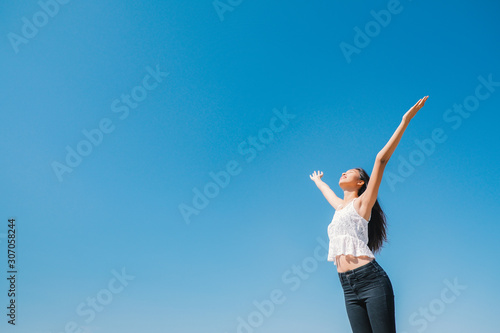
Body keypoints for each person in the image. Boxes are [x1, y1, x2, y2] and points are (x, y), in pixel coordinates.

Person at [309, 96, 429, 333]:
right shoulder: (340, 208)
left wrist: (405, 120)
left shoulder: (363, 204)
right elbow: (328, 193)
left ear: (361, 182)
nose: (343, 172)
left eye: (350, 172)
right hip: (347, 286)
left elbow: (381, 159)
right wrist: (318, 182)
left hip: (371, 281)